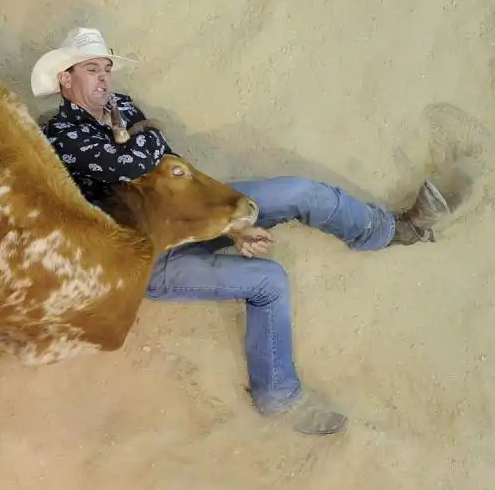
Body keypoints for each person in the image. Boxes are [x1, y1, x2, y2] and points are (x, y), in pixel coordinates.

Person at [29, 27, 451, 435]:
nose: (104, 77)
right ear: (66, 79)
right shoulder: (61, 136)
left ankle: (391, 230)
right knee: (269, 281)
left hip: (190, 213)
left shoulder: (123, 105)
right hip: (146, 256)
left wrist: (231, 225)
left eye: (106, 68)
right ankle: (278, 398)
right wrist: (153, 149)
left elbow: (172, 164)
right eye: (91, 69)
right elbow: (141, 163)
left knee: (300, 191)